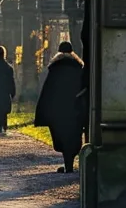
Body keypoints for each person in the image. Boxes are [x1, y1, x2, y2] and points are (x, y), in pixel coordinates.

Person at [34, 40, 87, 173]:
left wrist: (44, 111)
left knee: (61, 136)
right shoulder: (78, 68)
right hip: (74, 108)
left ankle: (67, 163)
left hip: (57, 110)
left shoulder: (55, 69)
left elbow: (48, 90)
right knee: (74, 135)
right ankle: (70, 162)